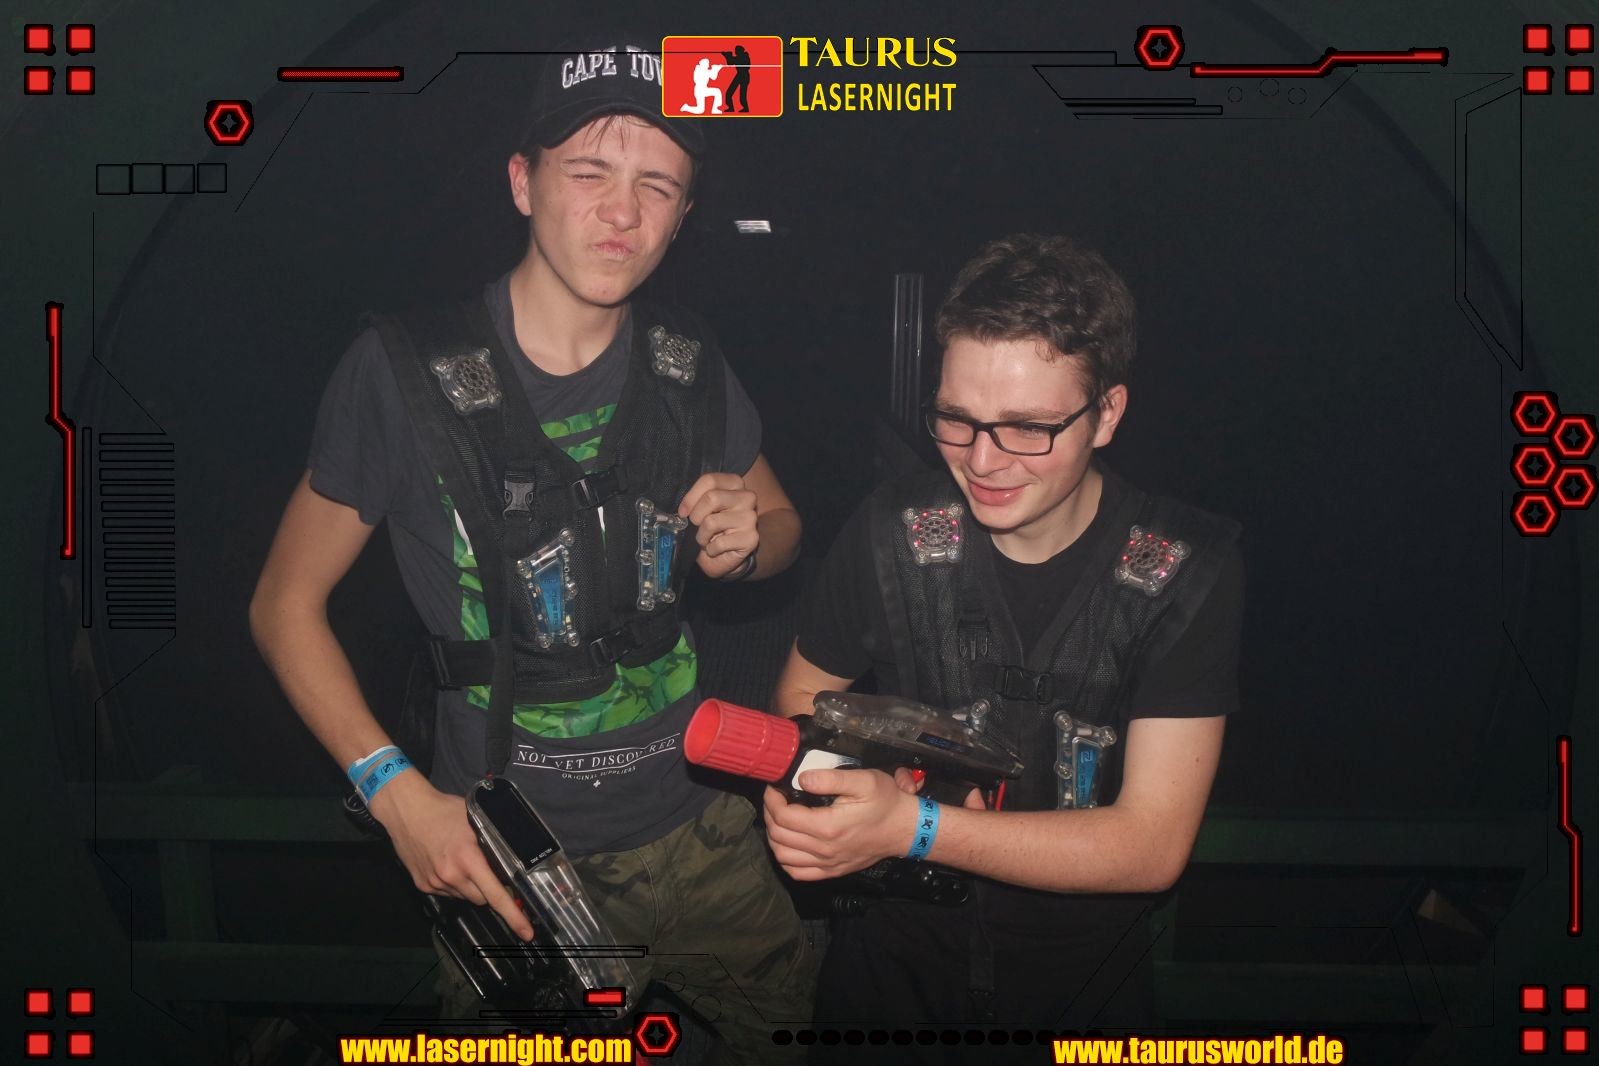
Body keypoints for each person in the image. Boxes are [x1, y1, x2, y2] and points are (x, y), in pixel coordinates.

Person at [250, 41, 813, 1062]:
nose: (622, 212)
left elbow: (781, 529)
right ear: (523, 182)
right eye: (589, 172)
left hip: (707, 831)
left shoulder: (689, 365)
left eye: (657, 186)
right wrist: (392, 793)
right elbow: (284, 604)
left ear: (683, 215)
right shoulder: (400, 374)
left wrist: (748, 543)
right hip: (513, 859)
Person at [763, 234, 1244, 1040]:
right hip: (886, 965)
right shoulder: (887, 529)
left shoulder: (1186, 569)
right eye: (956, 419)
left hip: (1079, 991)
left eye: (1026, 428)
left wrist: (911, 827)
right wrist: (826, 789)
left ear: (1107, 414)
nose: (982, 460)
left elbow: (1150, 844)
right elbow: (801, 694)